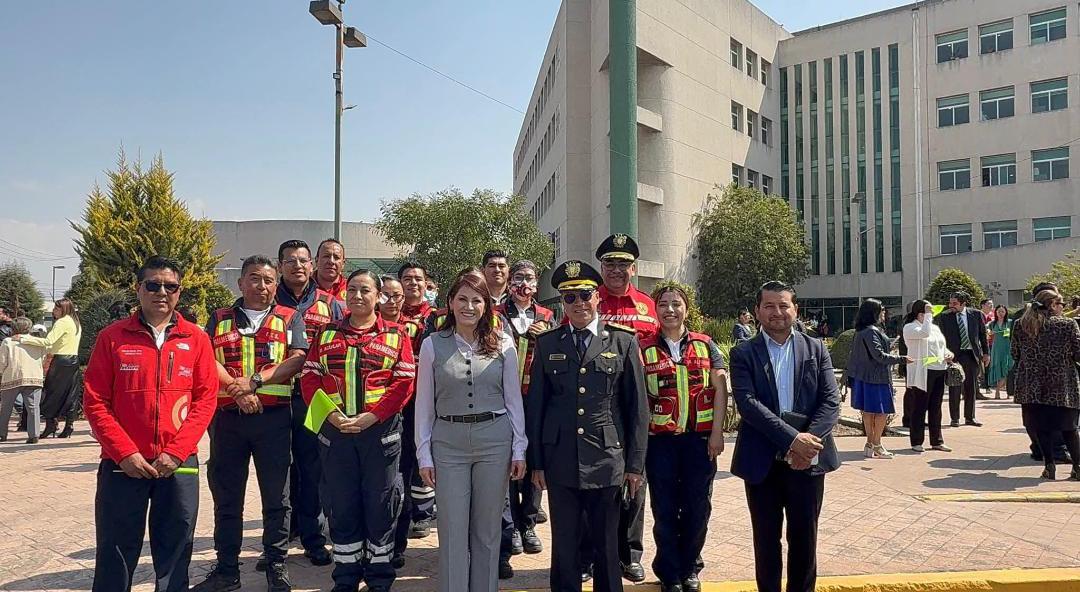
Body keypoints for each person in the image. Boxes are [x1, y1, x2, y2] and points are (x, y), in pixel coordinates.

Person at [83, 256, 219, 592]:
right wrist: (124, 453)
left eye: (170, 286)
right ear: (138, 288)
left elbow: (205, 401)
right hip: (122, 465)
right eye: (153, 285)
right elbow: (95, 401)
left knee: (176, 552)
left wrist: (176, 452)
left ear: (179, 291)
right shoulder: (112, 338)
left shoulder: (197, 339)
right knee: (115, 552)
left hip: (178, 464)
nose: (162, 292)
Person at [528, 259, 647, 592]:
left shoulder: (623, 341)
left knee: (607, 545)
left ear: (597, 297)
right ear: (562, 303)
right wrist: (537, 462)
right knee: (565, 545)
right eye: (570, 297)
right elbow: (537, 407)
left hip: (607, 457)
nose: (578, 303)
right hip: (560, 457)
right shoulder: (548, 343)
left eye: (585, 295)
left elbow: (637, 408)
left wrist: (635, 465)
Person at [192, 255, 308, 592]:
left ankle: (276, 564)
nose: (262, 286)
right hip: (228, 421)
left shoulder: (289, 317)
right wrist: (237, 389)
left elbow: (297, 359)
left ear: (276, 284)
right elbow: (205, 358)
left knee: (277, 498)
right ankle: (227, 569)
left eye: (269, 280)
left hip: (274, 421)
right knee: (227, 497)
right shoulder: (219, 318)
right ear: (241, 283)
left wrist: (254, 382)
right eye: (254, 278)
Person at [300, 269, 416, 592]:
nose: (357, 296)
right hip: (336, 434)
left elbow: (404, 383)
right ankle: (346, 576)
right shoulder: (326, 333)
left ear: (378, 296)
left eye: (365, 290)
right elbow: (309, 378)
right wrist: (331, 416)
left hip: (380, 435)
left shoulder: (397, 334)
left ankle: (379, 577)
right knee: (342, 505)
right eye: (352, 289)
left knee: (381, 505)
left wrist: (372, 417)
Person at [414, 268, 527, 592]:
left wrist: (519, 448)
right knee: (451, 528)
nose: (469, 306)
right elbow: (424, 406)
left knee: (487, 529)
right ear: (450, 302)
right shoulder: (432, 344)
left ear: (486, 305)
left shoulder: (503, 343)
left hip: (495, 441)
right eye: (462, 299)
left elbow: (513, 400)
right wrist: (424, 454)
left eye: (477, 300)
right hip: (448, 443)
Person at [729, 281, 840, 592]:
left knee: (805, 540)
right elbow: (748, 404)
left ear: (795, 309)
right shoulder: (743, 353)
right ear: (757, 311)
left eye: (783, 305)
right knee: (766, 541)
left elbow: (831, 401)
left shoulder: (816, 348)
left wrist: (806, 444)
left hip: (808, 461)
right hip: (762, 461)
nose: (776, 312)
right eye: (769, 306)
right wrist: (793, 440)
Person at [578, 233, 657, 584]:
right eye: (610, 263)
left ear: (633, 268)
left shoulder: (648, 307)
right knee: (590, 485)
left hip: (637, 406)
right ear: (601, 267)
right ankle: (589, 556)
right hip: (598, 408)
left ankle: (630, 553)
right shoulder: (588, 299)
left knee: (635, 481)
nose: (616, 270)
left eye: (623, 264)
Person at [641, 285, 728, 592]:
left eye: (676, 304)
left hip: (699, 441)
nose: (670, 310)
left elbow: (720, 389)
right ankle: (669, 572)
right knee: (664, 508)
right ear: (655, 310)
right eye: (663, 304)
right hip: (660, 443)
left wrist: (717, 433)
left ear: (687, 309)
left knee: (697, 506)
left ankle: (690, 567)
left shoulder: (706, 345)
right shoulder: (643, 348)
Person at [274, 239, 344, 570]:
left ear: (311, 265)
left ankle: (313, 539)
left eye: (303, 261)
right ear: (280, 266)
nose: (298, 266)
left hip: (314, 400)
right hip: (274, 400)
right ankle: (278, 540)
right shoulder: (267, 302)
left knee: (312, 467)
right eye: (290, 261)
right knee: (278, 470)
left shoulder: (331, 305)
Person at [499, 260, 555, 567]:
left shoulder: (547, 315)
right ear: (509, 282)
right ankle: (511, 526)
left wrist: (545, 335)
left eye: (529, 278)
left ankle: (529, 522)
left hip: (537, 398)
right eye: (518, 277)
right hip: (504, 397)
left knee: (535, 460)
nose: (524, 283)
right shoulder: (495, 315)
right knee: (508, 461)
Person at [392, 261, 438, 563]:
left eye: (418, 279)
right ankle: (402, 517)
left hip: (429, 397)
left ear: (426, 284)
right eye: (407, 279)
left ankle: (423, 514)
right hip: (399, 399)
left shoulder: (437, 317)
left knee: (426, 455)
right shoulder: (389, 316)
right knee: (403, 462)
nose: (413, 283)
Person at [1011, 289, 1080, 481]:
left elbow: (1015, 353)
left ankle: (1049, 467)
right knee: (1069, 428)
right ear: (1052, 304)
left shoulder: (1021, 324)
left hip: (1032, 385)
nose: (1063, 308)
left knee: (1041, 427)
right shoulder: (1068, 324)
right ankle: (1078, 467)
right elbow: (1078, 353)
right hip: (1062, 385)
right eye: (1061, 304)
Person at [847, 299, 910, 459]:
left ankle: (870, 443)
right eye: (881, 309)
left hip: (864, 377)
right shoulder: (871, 331)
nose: (884, 313)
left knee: (868, 412)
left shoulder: (861, 331)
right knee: (882, 412)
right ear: (874, 312)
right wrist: (902, 359)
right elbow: (879, 356)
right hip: (876, 378)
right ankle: (877, 444)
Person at [18, 298, 82, 438]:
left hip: (61, 360)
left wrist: (24, 339)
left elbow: (48, 341)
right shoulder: (75, 322)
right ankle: (69, 425)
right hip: (73, 359)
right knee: (70, 393)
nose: (54, 311)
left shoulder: (62, 322)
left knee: (50, 393)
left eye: (56, 308)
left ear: (63, 309)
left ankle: (51, 424)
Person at [902, 300, 954, 453]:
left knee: (936, 407)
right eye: (928, 311)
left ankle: (937, 441)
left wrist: (948, 354)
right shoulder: (910, 327)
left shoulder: (935, 328)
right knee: (920, 406)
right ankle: (916, 441)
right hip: (923, 371)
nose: (932, 313)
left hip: (939, 368)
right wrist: (928, 315)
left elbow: (941, 346)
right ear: (920, 313)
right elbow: (924, 333)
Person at [936, 292, 989, 428]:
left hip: (971, 355)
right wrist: (945, 354)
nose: (951, 306)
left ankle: (970, 417)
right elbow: (941, 338)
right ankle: (955, 418)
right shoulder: (945, 317)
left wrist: (986, 353)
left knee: (971, 387)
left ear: (963, 304)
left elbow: (982, 335)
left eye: (955, 303)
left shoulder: (976, 315)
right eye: (950, 303)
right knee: (955, 387)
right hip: (954, 356)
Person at [0, 317, 46, 443]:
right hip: (34, 376)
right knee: (33, 408)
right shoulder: (38, 342)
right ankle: (34, 435)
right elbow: (43, 358)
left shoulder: (8, 341)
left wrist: (1, 373)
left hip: (12, 377)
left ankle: (2, 434)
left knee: (6, 408)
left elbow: (2, 362)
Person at [986, 305, 1014, 400]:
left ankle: (1004, 391)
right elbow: (986, 331)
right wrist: (989, 332)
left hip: (1007, 347)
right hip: (997, 348)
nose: (1001, 313)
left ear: (1006, 312)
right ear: (996, 312)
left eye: (1002, 311)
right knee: (998, 368)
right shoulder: (992, 323)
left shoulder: (1010, 322)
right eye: (999, 311)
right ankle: (999, 390)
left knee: (1007, 367)